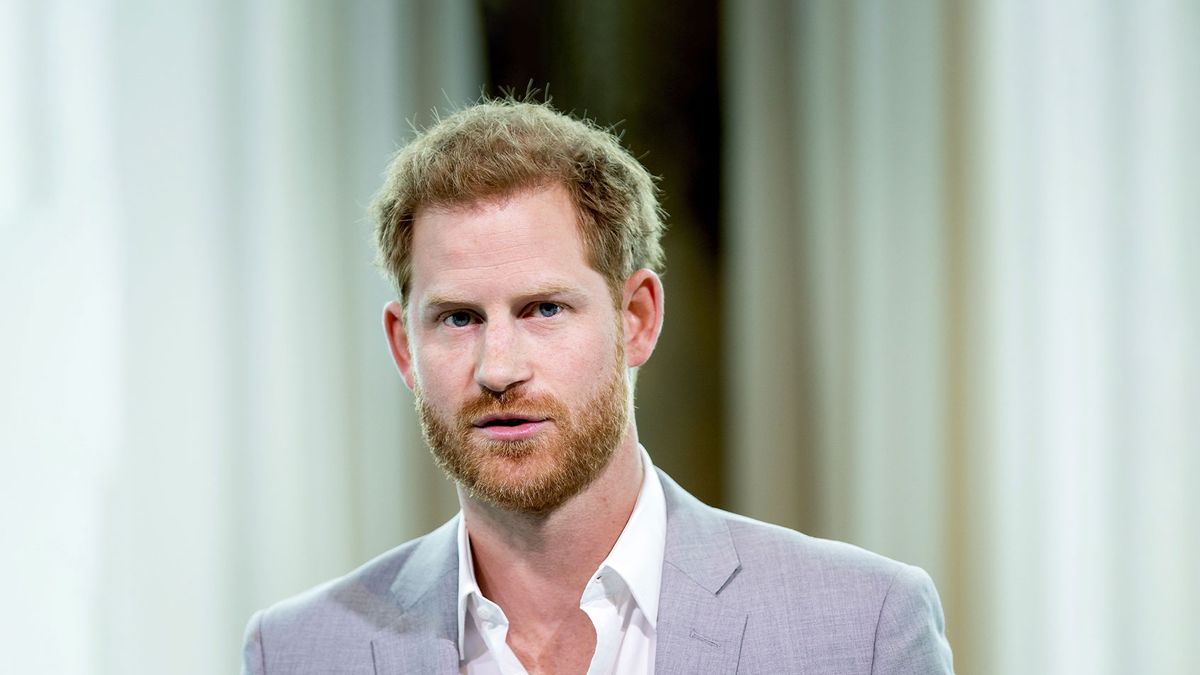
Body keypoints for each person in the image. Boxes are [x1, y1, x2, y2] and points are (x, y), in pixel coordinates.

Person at [241, 100, 954, 674]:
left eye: (543, 309)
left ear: (636, 318)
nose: (498, 367)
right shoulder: (298, 653)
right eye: (458, 317)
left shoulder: (862, 630)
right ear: (404, 345)